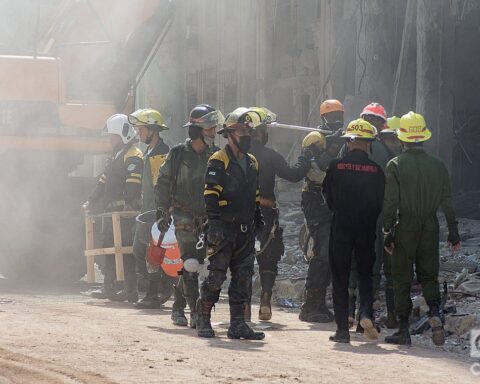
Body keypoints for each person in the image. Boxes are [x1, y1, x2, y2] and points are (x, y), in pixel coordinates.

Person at [383, 111, 461, 346]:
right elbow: (447, 201)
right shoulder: (438, 165)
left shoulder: (395, 164)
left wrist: (388, 232)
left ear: (402, 139)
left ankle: (404, 329)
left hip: (405, 225)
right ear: (424, 137)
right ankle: (435, 313)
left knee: (402, 278)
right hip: (430, 225)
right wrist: (453, 232)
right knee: (429, 276)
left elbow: (390, 203)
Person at [196, 107, 265, 340]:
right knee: (216, 276)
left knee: (244, 278)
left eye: (249, 130)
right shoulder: (219, 159)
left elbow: (254, 192)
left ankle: (238, 324)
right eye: (242, 130)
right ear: (229, 134)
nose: (247, 135)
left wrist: (257, 215)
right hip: (223, 228)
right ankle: (203, 319)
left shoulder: (253, 162)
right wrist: (214, 222)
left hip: (245, 230)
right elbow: (210, 193)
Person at [155, 104, 223, 327]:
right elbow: (163, 182)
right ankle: (195, 312)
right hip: (183, 214)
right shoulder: (177, 153)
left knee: (196, 264)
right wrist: (162, 212)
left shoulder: (216, 156)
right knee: (191, 263)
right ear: (198, 130)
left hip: (206, 219)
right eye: (210, 128)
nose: (214, 132)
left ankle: (177, 307)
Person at [324, 118, 385, 343]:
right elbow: (380, 203)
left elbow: (328, 197)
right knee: (365, 274)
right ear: (369, 143)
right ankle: (366, 314)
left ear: (349, 142)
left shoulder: (336, 166)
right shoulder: (376, 170)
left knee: (340, 277)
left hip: (341, 227)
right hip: (366, 229)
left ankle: (342, 330)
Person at [247, 106, 309, 321]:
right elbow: (294, 175)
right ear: (262, 133)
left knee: (240, 258)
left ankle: (243, 307)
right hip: (265, 213)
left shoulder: (233, 155)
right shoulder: (270, 155)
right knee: (268, 257)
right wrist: (306, 155)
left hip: (239, 213)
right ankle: (265, 297)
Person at [84, 114, 143, 302]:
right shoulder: (115, 155)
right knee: (108, 246)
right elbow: (103, 181)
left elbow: (133, 186)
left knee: (126, 250)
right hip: (112, 212)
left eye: (112, 135)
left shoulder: (134, 155)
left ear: (123, 135)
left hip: (125, 213)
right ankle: (108, 287)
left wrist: (125, 202)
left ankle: (130, 290)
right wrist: (91, 201)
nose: (110, 139)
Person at [299, 99, 345, 323]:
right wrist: (331, 149)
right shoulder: (315, 139)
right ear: (323, 118)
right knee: (322, 252)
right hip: (316, 200)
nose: (337, 120)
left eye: (339, 116)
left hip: (334, 199)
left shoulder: (343, 139)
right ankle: (309, 305)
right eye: (332, 116)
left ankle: (319, 303)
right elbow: (313, 171)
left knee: (332, 253)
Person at [129, 108, 170, 308]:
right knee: (141, 250)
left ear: (153, 129)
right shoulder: (150, 152)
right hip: (147, 210)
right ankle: (159, 288)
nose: (139, 133)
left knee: (152, 253)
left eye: (142, 129)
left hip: (156, 211)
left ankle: (155, 293)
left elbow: (161, 186)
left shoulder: (161, 154)